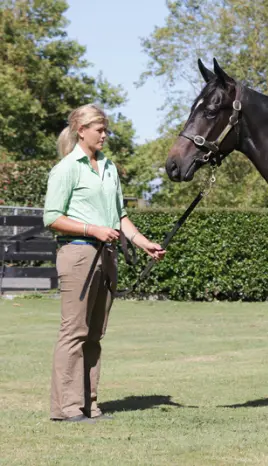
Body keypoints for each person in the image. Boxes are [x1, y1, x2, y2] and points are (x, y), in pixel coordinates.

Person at [43, 103, 166, 423]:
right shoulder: (67, 168)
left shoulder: (109, 167)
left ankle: (89, 405)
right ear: (81, 130)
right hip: (78, 254)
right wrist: (92, 229)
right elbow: (52, 217)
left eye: (106, 130)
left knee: (95, 334)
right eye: (99, 130)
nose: (105, 135)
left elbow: (119, 216)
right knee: (74, 332)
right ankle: (66, 408)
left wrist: (144, 243)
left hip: (107, 255)